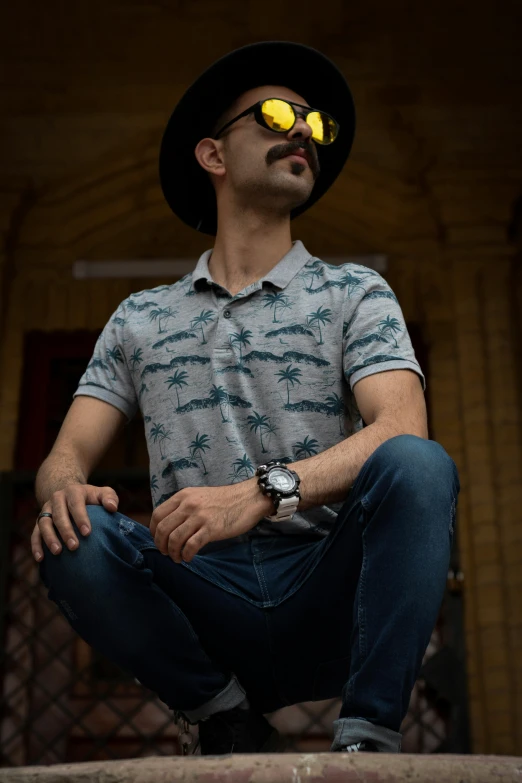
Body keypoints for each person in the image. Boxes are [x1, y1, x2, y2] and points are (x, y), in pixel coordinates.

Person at [32, 42, 460, 755]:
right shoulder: (139, 316)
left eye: (315, 126)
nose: (303, 133)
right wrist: (65, 490)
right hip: (200, 600)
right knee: (68, 535)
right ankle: (222, 712)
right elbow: (64, 456)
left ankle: (368, 739)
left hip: (330, 589)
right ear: (213, 155)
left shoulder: (355, 291)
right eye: (274, 115)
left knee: (418, 463)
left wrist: (258, 493)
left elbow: (402, 426)